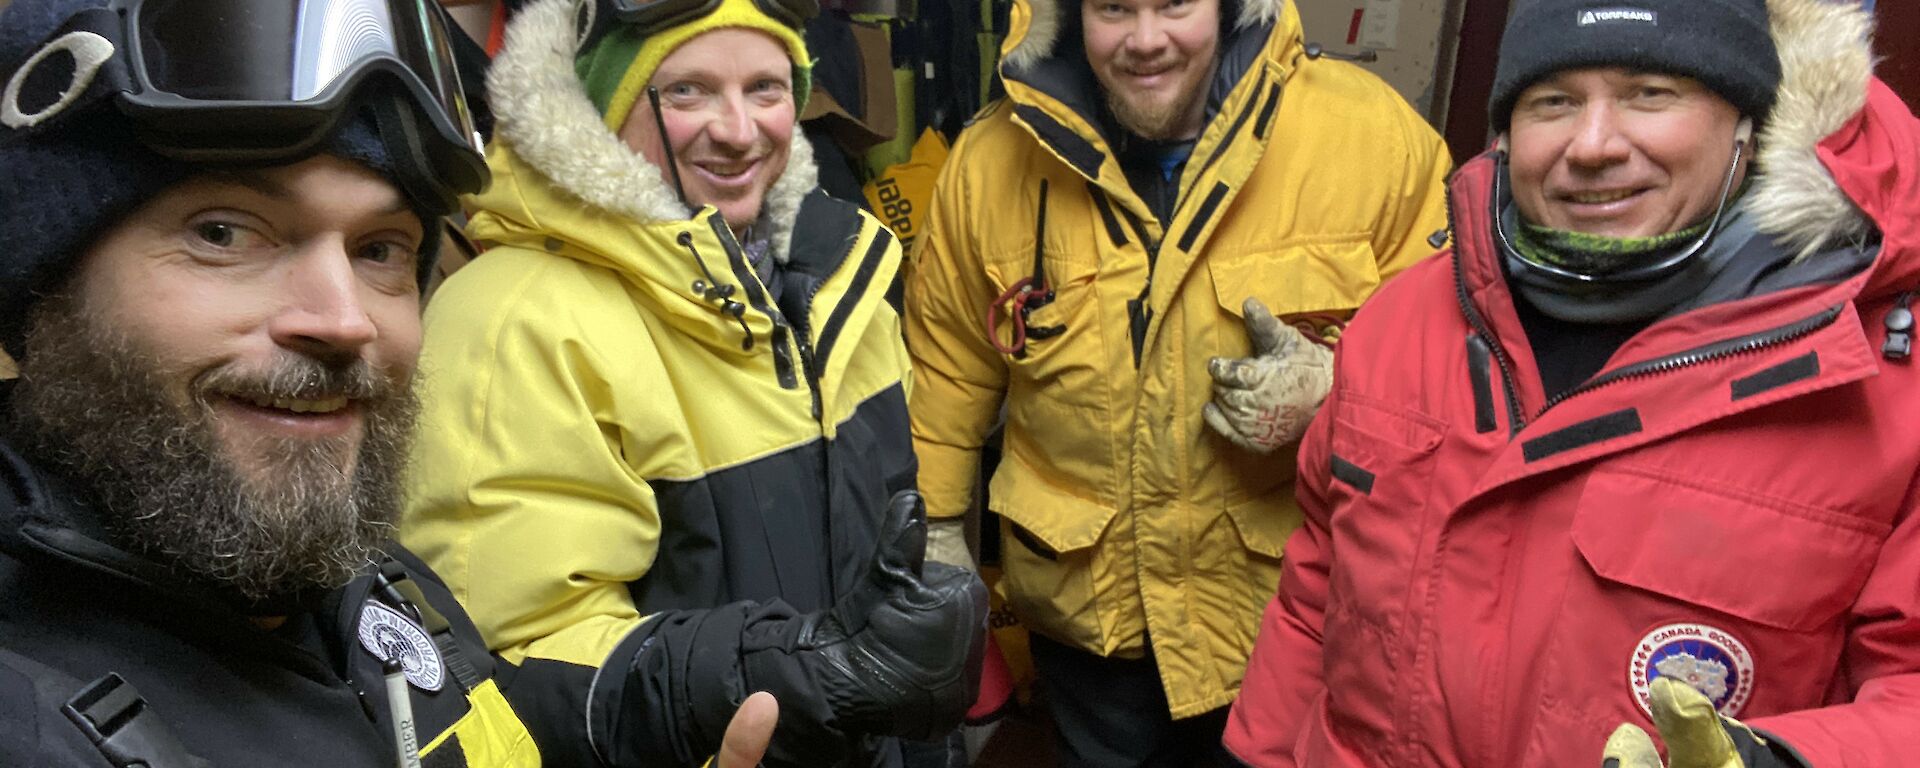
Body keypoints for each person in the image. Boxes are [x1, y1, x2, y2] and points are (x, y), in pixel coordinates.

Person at [0, 0, 782, 765]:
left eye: (380, 250)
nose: (346, 321)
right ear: (43, 286)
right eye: (223, 232)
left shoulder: (362, 579)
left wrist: (761, 675)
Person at [1224, 0, 1920, 764]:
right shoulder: (1402, 321)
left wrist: (1783, 761)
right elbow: (1317, 592)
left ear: (1749, 123)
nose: (1591, 145)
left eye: (1649, 92)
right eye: (1553, 101)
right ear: (1505, 132)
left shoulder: (1882, 380)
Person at [399, 0, 987, 766]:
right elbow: (511, 668)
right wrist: (792, 679)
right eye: (687, 91)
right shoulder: (514, 320)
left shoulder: (839, 279)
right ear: (604, 101)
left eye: (767, 89)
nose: (740, 131)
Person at [901, 0, 1451, 764]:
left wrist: (1337, 387)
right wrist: (932, 531)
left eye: (1174, 4)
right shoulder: (991, 162)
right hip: (1087, 622)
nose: (1146, 39)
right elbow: (945, 366)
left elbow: (1451, 359)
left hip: (1278, 619)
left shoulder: (1371, 140)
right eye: (1115, 9)